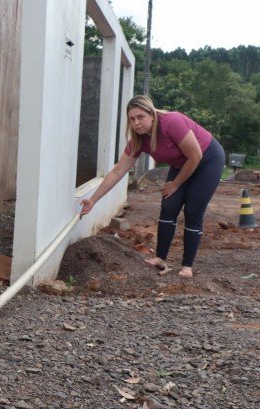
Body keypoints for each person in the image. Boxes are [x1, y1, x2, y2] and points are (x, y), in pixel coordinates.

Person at [80, 95, 225, 278]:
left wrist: (176, 184)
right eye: (132, 119)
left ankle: (187, 266)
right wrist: (93, 200)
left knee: (193, 210)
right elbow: (118, 171)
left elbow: (195, 155)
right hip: (182, 165)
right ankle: (160, 258)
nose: (136, 123)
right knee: (169, 206)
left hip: (207, 160)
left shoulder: (172, 122)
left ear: (152, 114)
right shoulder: (138, 140)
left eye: (141, 117)